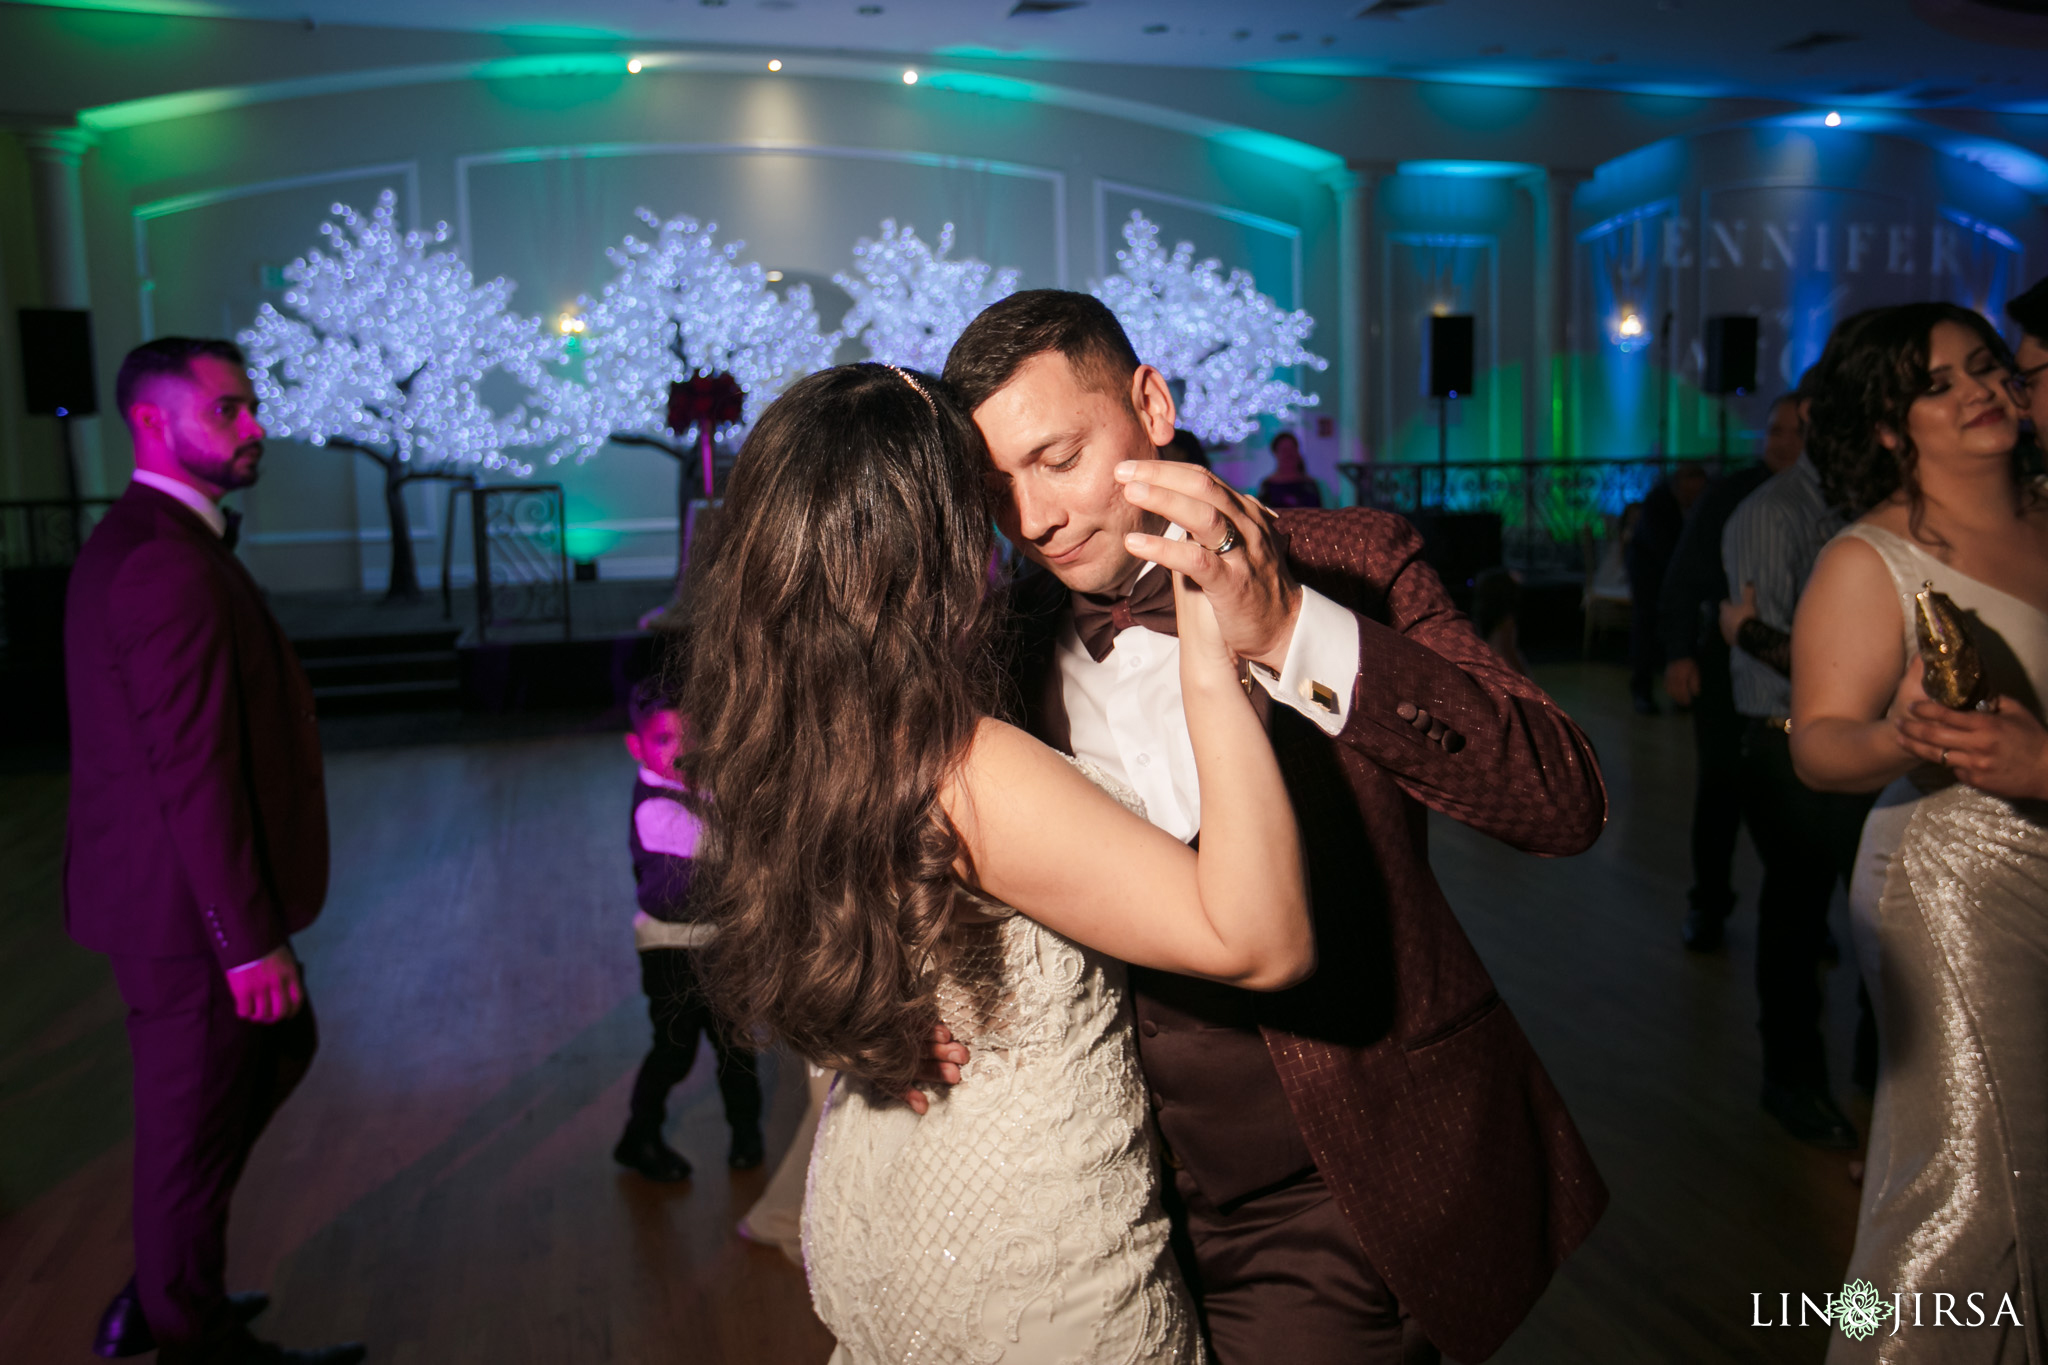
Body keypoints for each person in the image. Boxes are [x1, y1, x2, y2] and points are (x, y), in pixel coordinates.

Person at [940, 290, 1610, 1365]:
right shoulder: (998, 643)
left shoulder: (1351, 559)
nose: (1032, 520)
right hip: (1099, 1198)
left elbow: (1558, 800)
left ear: (1149, 404)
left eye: (1057, 458)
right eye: (994, 490)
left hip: (1338, 1184)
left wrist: (1294, 629)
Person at [680, 361, 1315, 1364]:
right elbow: (1260, 939)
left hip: (883, 1198)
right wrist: (1207, 646)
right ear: (931, 548)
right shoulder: (964, 768)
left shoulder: (788, 740)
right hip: (1025, 1257)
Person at [64, 338, 363, 1365]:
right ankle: (185, 1326)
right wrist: (244, 942)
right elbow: (186, 771)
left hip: (176, 905)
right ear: (153, 422)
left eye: (251, 407)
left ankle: (166, 1280)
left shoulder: (162, 543)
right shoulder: (159, 560)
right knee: (188, 1140)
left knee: (276, 1056)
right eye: (229, 410)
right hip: (185, 917)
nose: (255, 427)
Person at [1791, 303, 2048, 1363]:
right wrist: (1899, 738)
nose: (1978, 390)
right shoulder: (1871, 561)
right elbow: (1817, 745)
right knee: (1959, 1191)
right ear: (1890, 426)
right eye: (1936, 383)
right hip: (1955, 886)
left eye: (1984, 367)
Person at [1716, 390, 1876, 1150]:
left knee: (1882, 921)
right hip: (1785, 742)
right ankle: (1793, 1081)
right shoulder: (1770, 513)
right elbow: (1765, 639)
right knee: (1796, 921)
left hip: (1872, 742)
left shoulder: (1871, 503)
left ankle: (1883, 1075)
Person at [1659, 396, 1805, 950]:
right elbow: (1684, 578)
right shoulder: (1730, 497)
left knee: (1791, 798)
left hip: (1797, 672)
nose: (1779, 442)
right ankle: (1710, 903)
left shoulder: (1831, 500)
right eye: (1773, 430)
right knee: (1721, 787)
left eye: (1792, 432)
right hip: (1726, 667)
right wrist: (1679, 653)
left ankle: (1798, 915)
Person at [613, 678, 763, 1181]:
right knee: (674, 1051)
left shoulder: (698, 789)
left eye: (690, 736)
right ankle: (639, 1136)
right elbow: (728, 848)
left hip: (721, 945)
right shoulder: (656, 809)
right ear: (637, 746)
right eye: (663, 740)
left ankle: (747, 1136)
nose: (681, 751)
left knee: (736, 1048)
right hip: (672, 951)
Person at [1625, 460, 1708, 713]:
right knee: (1646, 628)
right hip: (1649, 576)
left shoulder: (1693, 506)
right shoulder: (1658, 506)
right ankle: (1643, 692)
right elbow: (1664, 550)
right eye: (1690, 493)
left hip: (1673, 576)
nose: (1693, 499)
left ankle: (1681, 692)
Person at [1256, 429, 1323, 508]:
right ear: (1276, 453)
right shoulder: (1267, 485)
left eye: (1292, 449)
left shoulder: (1310, 485)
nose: (1289, 454)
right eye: (1284, 450)